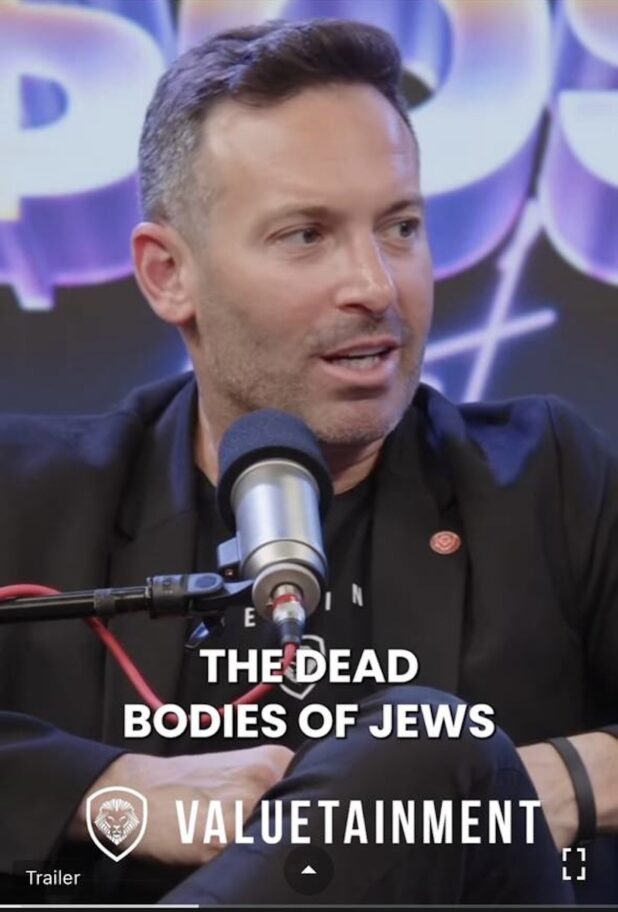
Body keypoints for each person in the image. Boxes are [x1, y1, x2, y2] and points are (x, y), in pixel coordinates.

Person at [0, 17, 616, 906]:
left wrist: (534, 784)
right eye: (305, 235)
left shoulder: (545, 479)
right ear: (169, 273)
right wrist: (110, 788)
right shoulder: (31, 493)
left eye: (400, 226)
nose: (375, 284)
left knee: (430, 742)